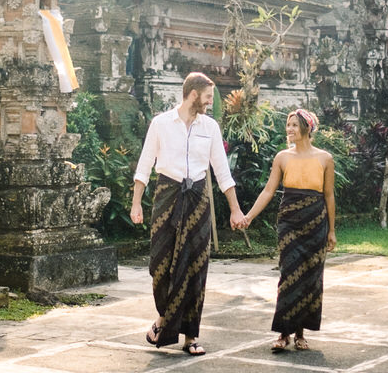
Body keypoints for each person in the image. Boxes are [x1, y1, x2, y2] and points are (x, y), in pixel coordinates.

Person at [131, 71, 247, 357]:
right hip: (166, 197)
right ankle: (163, 319)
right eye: (207, 98)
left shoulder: (210, 127)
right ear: (193, 94)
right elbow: (145, 165)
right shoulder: (160, 124)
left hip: (197, 201)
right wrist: (136, 204)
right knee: (160, 267)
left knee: (195, 268)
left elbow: (222, 171)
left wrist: (235, 209)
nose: (210, 103)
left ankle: (190, 336)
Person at [243, 107, 336, 352]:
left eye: (294, 125)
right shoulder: (282, 157)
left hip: (316, 222)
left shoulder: (325, 158)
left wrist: (332, 231)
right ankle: (283, 333)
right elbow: (268, 191)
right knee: (289, 274)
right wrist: (249, 216)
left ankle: (301, 333)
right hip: (289, 221)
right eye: (288, 125)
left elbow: (329, 195)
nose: (289, 129)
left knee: (311, 277)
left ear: (306, 129)